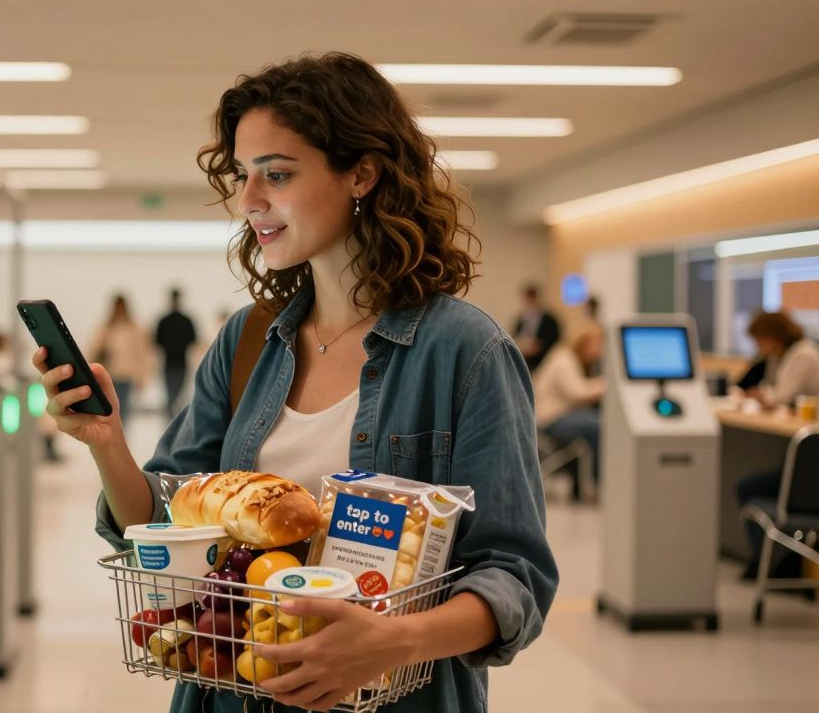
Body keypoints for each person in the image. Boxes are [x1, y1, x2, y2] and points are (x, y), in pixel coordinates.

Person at [32, 53, 555, 712]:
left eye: (276, 173)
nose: (249, 201)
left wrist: (393, 641)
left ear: (361, 172)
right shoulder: (250, 340)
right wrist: (106, 443)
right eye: (244, 175)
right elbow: (166, 526)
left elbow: (516, 577)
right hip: (232, 693)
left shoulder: (463, 351)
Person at [735, 310, 819, 579]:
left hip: (809, 470)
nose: (759, 347)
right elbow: (765, 387)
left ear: (773, 336)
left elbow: (778, 396)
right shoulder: (780, 357)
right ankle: (773, 562)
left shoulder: (803, 355)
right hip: (803, 463)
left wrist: (764, 396)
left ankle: (770, 564)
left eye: (761, 340)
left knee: (749, 488)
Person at [534, 325, 606, 501]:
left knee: (593, 422)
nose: (599, 350)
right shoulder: (564, 359)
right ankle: (598, 484)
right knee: (598, 426)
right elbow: (577, 392)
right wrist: (606, 384)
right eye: (596, 344)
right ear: (583, 343)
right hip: (550, 419)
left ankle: (587, 486)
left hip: (559, 417)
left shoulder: (569, 358)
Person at [88, 294, 153, 425]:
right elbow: (94, 350)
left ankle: (120, 436)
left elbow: (143, 355)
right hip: (109, 374)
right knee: (110, 408)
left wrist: (142, 377)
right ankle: (112, 435)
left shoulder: (134, 329)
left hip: (127, 375)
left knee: (123, 409)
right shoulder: (106, 328)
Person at [155, 288, 198, 417]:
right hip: (179, 362)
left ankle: (172, 420)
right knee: (177, 395)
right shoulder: (186, 320)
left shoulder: (164, 321)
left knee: (172, 395)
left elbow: (157, 341)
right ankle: (174, 420)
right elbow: (193, 339)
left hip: (170, 362)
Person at [512, 283, 561, 372]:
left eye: (532, 299)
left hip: (542, 363)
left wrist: (538, 347)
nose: (529, 304)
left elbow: (554, 342)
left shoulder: (549, 320)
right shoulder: (521, 319)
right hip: (523, 361)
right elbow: (514, 337)